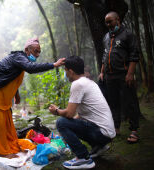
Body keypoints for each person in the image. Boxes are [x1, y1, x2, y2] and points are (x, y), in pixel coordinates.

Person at [0, 37, 65, 158]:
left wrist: (16, 95)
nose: (37, 55)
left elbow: (10, 77)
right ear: (27, 49)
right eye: (35, 51)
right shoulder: (19, 57)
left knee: (5, 121)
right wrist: (53, 65)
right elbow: (31, 68)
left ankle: (2, 145)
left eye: (39, 52)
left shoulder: (21, 61)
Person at [49, 56, 116, 169]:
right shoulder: (89, 82)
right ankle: (98, 147)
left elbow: (69, 113)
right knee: (67, 123)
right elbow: (82, 113)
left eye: (65, 70)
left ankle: (83, 158)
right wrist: (69, 128)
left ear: (70, 71)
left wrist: (56, 111)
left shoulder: (78, 84)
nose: (65, 73)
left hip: (101, 133)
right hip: (107, 133)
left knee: (61, 122)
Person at [99, 11, 140, 143]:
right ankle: (116, 128)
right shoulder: (106, 37)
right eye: (106, 22)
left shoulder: (127, 34)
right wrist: (101, 71)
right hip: (109, 76)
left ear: (118, 20)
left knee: (130, 102)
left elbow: (134, 55)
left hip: (124, 74)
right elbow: (105, 56)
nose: (108, 24)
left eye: (110, 21)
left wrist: (130, 74)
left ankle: (134, 131)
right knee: (113, 103)